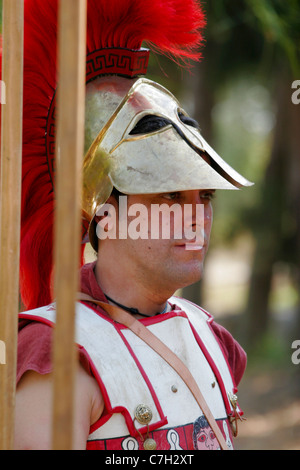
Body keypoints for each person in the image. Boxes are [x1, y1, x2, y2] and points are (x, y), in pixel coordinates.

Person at [14, 0, 252, 450]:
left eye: (205, 196)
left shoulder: (211, 337)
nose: (196, 216)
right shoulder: (58, 355)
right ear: (106, 214)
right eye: (169, 195)